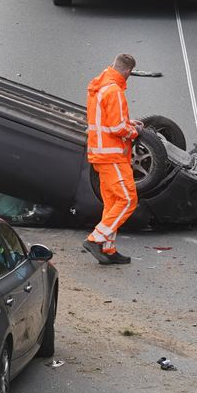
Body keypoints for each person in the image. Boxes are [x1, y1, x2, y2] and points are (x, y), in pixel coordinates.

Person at [83, 53, 143, 264]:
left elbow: (105, 119)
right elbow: (117, 128)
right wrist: (133, 132)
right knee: (127, 200)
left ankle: (108, 249)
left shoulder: (100, 86)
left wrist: (128, 122)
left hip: (100, 154)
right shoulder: (115, 91)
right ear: (128, 72)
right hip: (113, 155)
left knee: (112, 203)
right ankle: (96, 239)